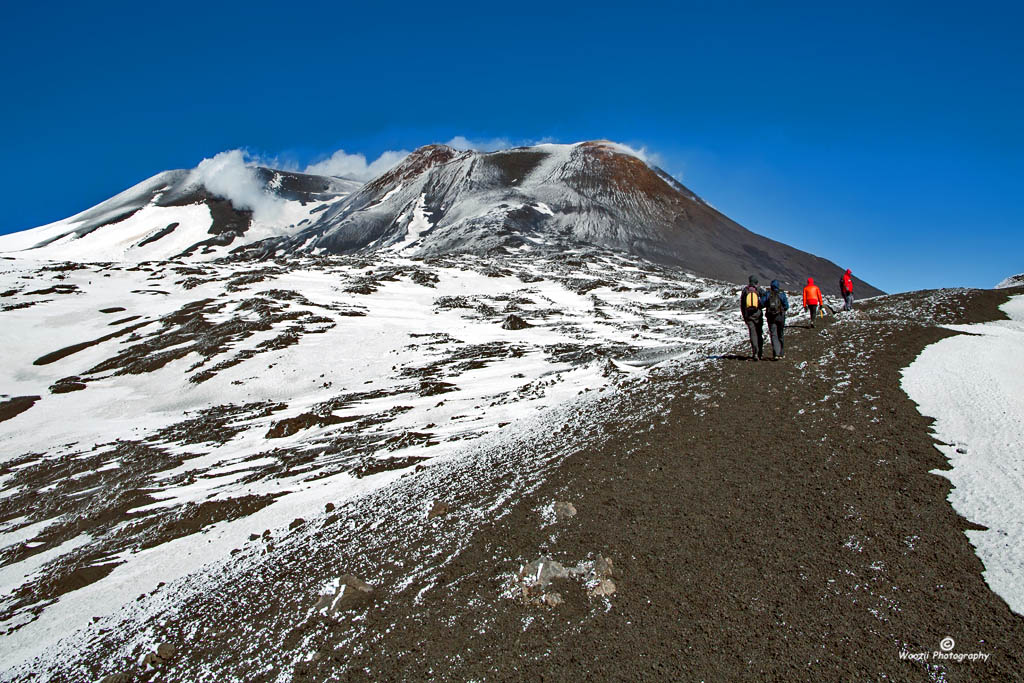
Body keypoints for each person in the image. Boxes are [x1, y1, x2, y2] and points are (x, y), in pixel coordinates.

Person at [739, 275, 767, 360]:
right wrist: (761, 306)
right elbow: (766, 298)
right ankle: (760, 353)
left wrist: (744, 315)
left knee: (753, 334)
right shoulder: (759, 290)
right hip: (758, 314)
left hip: (749, 316)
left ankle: (755, 353)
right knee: (759, 333)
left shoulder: (745, 290)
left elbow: (742, 304)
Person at [765, 279, 789, 359]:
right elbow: (786, 306)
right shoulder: (781, 294)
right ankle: (781, 353)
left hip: (771, 317)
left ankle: (776, 353)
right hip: (780, 316)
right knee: (780, 334)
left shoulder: (768, 294)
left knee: (774, 334)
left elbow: (762, 302)